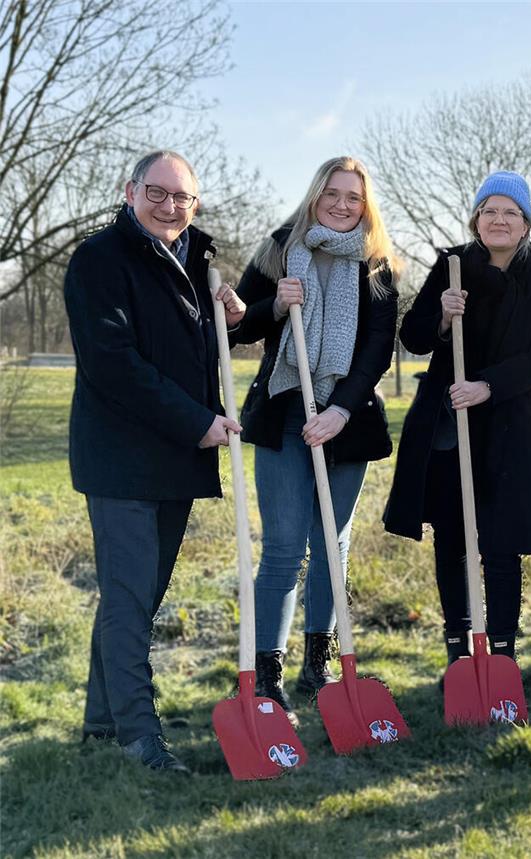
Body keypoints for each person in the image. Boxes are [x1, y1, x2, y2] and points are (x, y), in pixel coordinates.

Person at [65, 150, 245, 773]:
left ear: (195, 203)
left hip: (173, 458)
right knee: (129, 596)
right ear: (131, 191)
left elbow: (182, 348)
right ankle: (140, 738)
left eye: (182, 197)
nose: (170, 206)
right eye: (158, 193)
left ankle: (103, 721)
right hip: (121, 459)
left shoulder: (197, 261)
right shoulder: (99, 259)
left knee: (136, 598)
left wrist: (230, 322)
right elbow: (113, 363)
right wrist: (197, 422)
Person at [229, 157, 399, 724]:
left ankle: (317, 665)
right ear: (315, 195)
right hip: (283, 413)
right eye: (332, 193)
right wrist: (276, 305)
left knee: (332, 543)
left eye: (353, 197)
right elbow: (240, 326)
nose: (342, 205)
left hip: (348, 421)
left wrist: (340, 411)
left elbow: (378, 347)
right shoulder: (279, 248)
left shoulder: (376, 263)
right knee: (283, 547)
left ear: (365, 204)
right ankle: (267, 674)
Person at [383, 171, 531, 674]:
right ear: (476, 219)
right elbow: (413, 337)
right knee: (453, 540)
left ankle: (502, 655)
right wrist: (442, 316)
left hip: (509, 428)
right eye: (490, 211)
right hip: (451, 428)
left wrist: (487, 386)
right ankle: (459, 651)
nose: (498, 220)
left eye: (510, 212)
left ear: (525, 224)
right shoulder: (452, 267)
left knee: (502, 544)